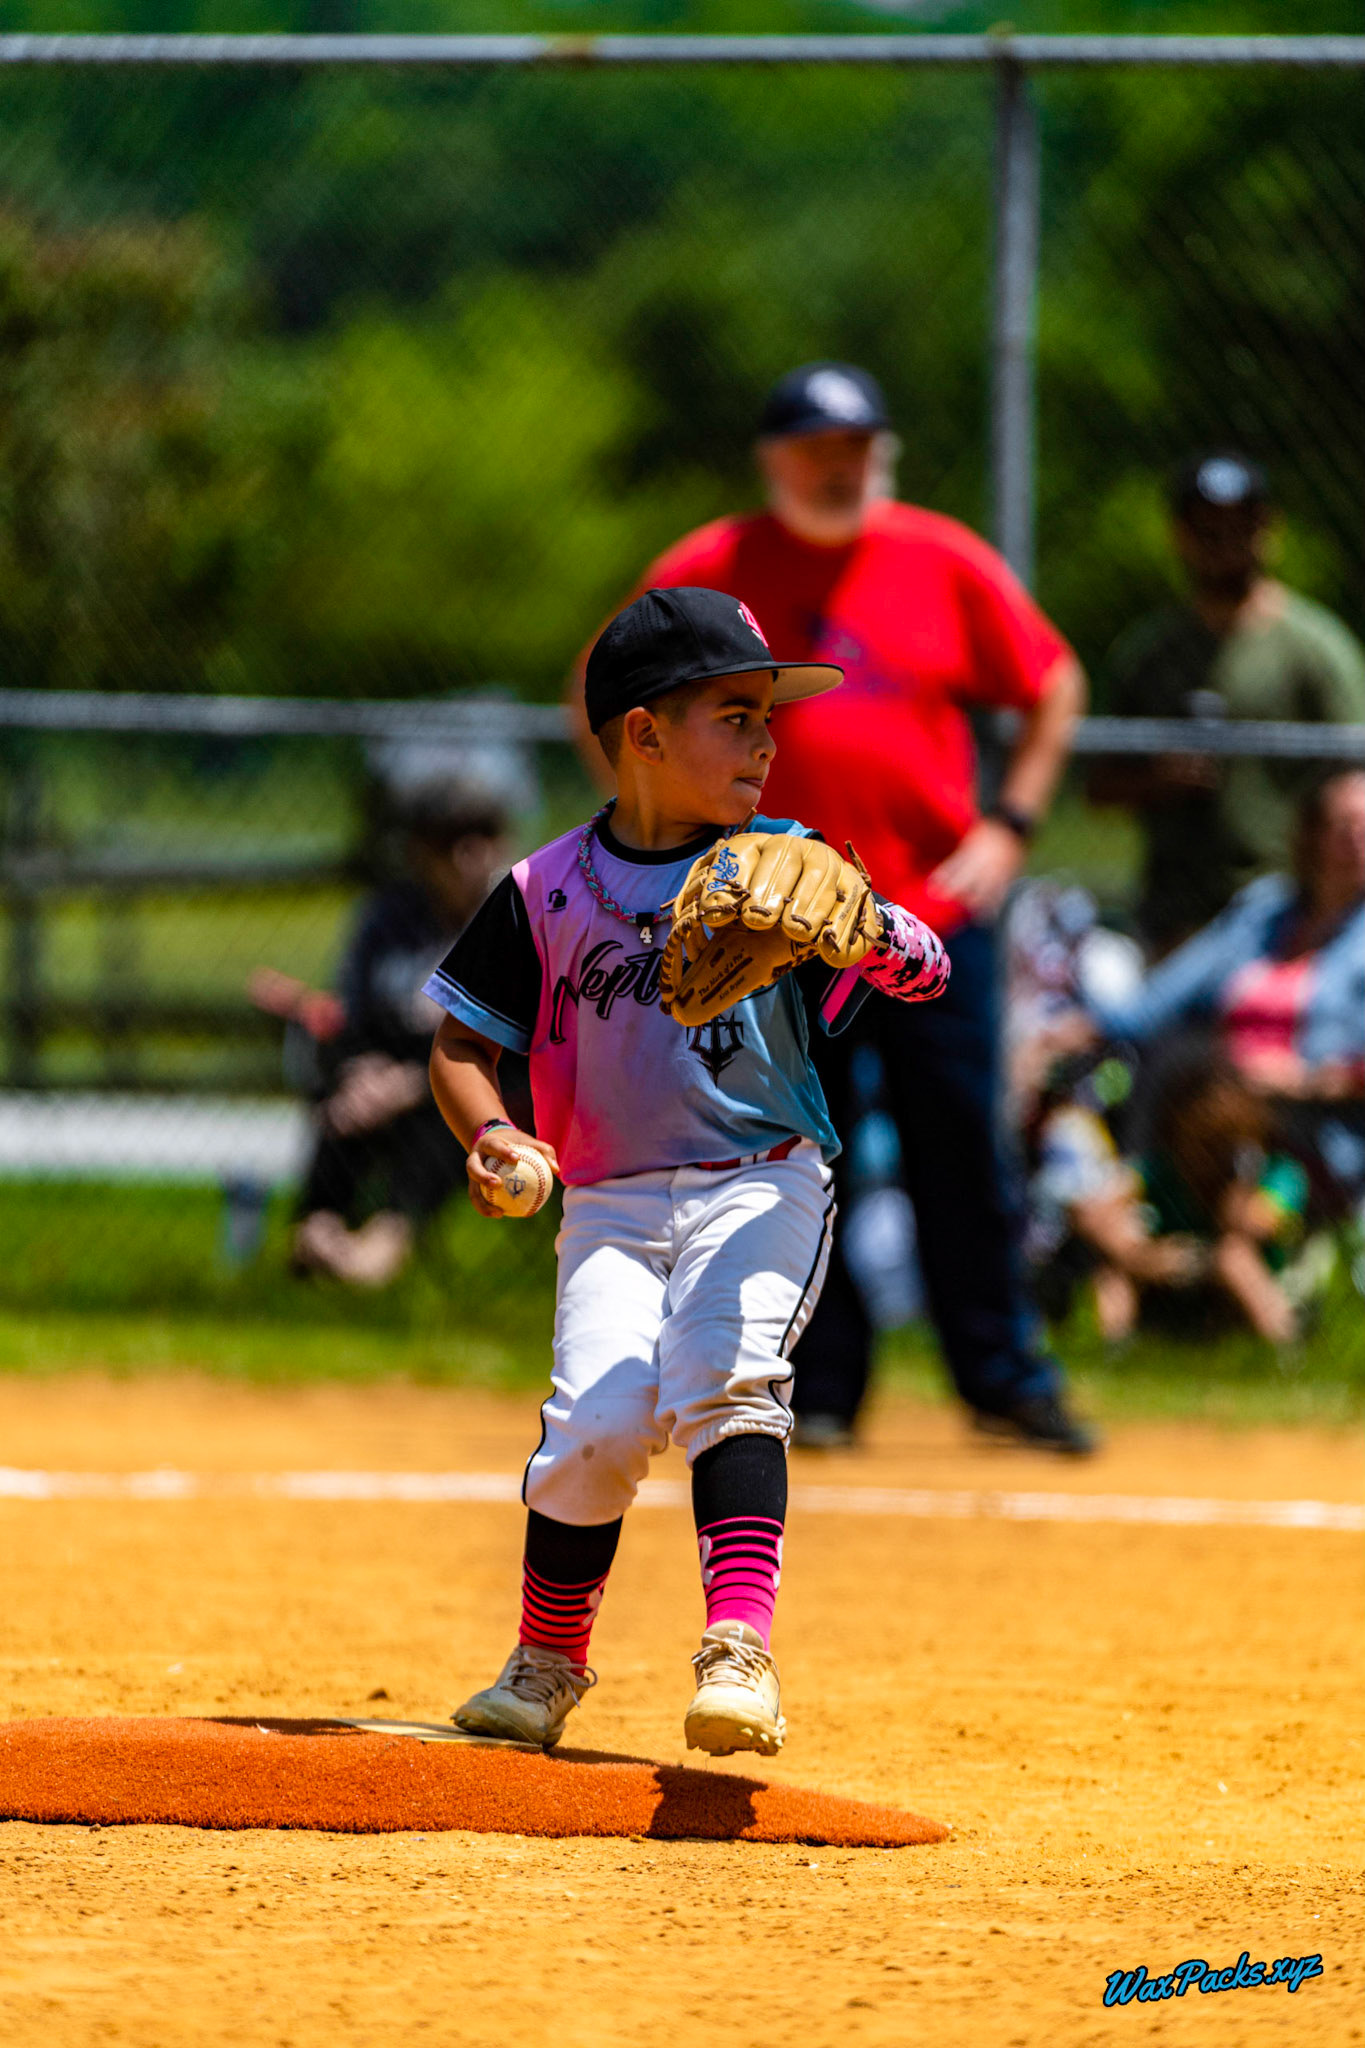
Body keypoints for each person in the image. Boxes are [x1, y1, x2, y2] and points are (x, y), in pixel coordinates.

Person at [425, 586, 949, 1753]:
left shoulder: (786, 866)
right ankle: (547, 1661)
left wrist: (860, 925)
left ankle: (738, 1650)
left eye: (771, 715)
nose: (768, 739)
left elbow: (928, 970)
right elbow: (462, 1044)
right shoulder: (545, 889)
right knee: (599, 1421)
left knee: (726, 1370)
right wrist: (493, 1133)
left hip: (761, 1175)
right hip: (608, 1195)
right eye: (735, 713)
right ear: (644, 732)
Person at [575, 362, 1093, 1454]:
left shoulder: (940, 557)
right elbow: (605, 686)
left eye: (856, 445)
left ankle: (1003, 1379)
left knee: (964, 1145)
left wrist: (1012, 825)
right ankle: (822, 1386)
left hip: (925, 912)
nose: (838, 464)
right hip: (768, 927)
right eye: (815, 446)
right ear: (774, 460)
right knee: (798, 1156)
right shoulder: (713, 568)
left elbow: (1053, 680)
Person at [1090, 452, 1365, 953]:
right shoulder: (1151, 653)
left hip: (1284, 909)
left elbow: (1354, 781)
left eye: (1240, 526)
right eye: (1207, 529)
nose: (1224, 543)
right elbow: (1099, 785)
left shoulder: (1315, 647)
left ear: (1268, 529)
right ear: (1180, 534)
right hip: (1172, 910)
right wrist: (1158, 779)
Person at [1084, 768, 1365, 1216]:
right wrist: (1082, 1028)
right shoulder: (1264, 912)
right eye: (1343, 825)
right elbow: (1162, 999)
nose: (1355, 840)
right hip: (1214, 1113)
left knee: (1235, 1243)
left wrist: (1305, 1079)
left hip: (1313, 1135)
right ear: (1312, 834)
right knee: (1104, 1211)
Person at [279, 781, 510, 1287]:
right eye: (451, 841)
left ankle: (385, 1241)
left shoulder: (514, 920)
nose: (469, 854)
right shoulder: (388, 920)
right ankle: (320, 1226)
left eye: (483, 836)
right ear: (420, 853)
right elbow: (352, 1017)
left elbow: (524, 1047)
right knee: (344, 1100)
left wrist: (410, 1085)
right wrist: (358, 1072)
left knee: (447, 1115)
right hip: (383, 1066)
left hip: (482, 1080)